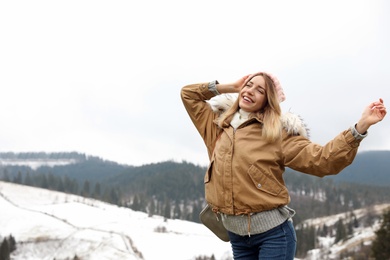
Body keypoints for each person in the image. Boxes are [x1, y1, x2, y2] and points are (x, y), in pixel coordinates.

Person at [180, 71, 387, 260]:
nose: (250, 91)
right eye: (249, 85)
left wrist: (360, 127)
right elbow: (188, 94)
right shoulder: (217, 125)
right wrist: (229, 86)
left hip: (274, 237)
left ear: (268, 101)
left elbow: (324, 160)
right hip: (238, 237)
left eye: (260, 90)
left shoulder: (277, 133)